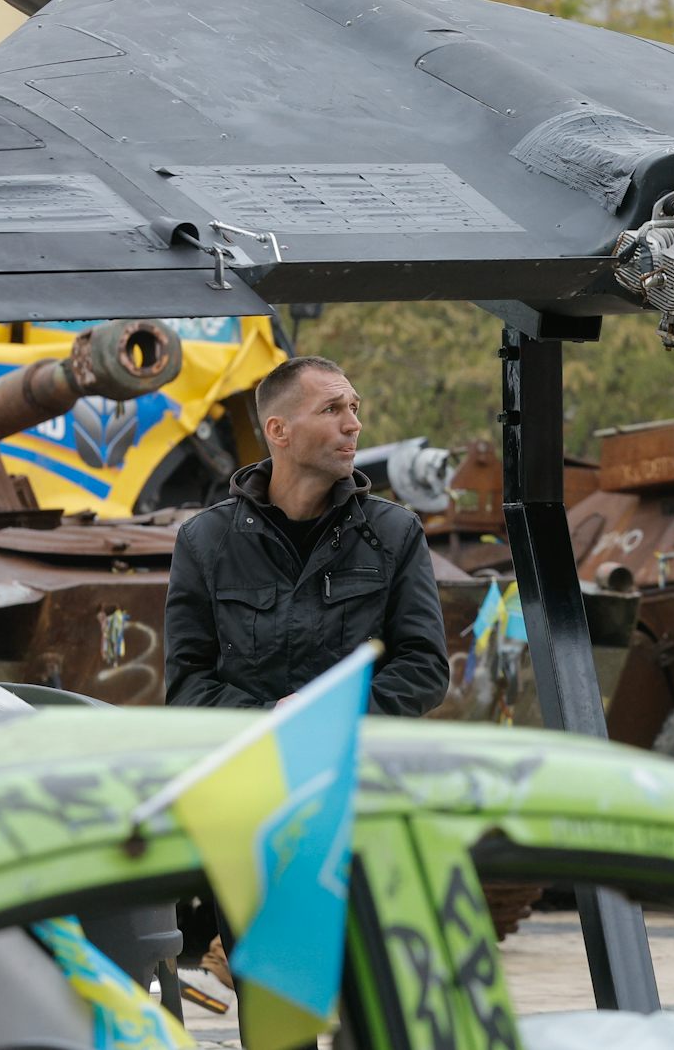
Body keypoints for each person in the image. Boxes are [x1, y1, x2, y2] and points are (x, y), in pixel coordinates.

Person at [164, 354, 450, 1011]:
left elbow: (423, 669)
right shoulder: (205, 543)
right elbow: (188, 687)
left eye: (355, 407)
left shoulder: (393, 534)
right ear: (279, 430)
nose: (354, 424)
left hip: (364, 813)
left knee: (381, 1015)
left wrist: (327, 720)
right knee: (277, 1022)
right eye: (333, 409)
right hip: (260, 825)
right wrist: (275, 718)